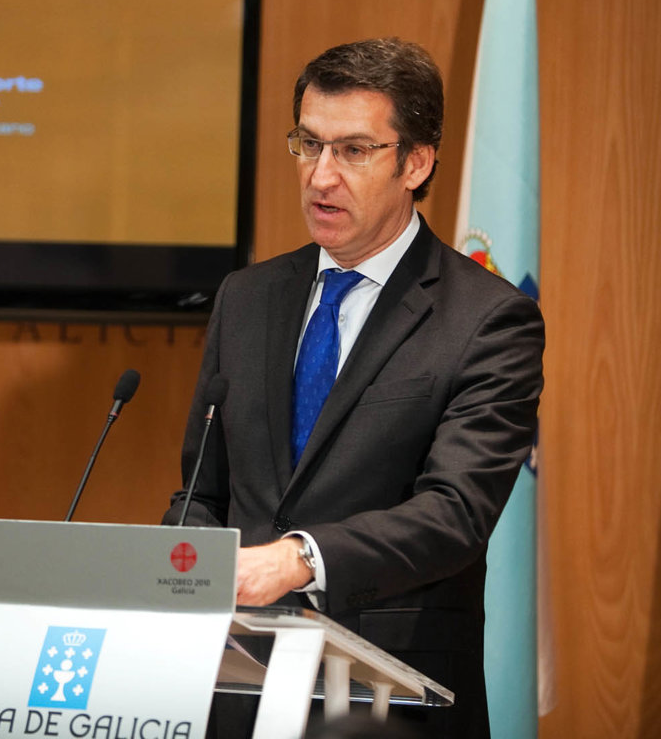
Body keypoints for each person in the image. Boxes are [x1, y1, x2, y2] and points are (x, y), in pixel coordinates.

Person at [163, 38, 544, 739]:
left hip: (389, 699)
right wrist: (182, 567)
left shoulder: (487, 319)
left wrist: (300, 558)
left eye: (354, 151)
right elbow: (202, 493)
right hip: (235, 695)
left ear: (416, 162)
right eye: (309, 144)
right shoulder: (246, 297)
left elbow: (456, 513)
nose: (321, 176)